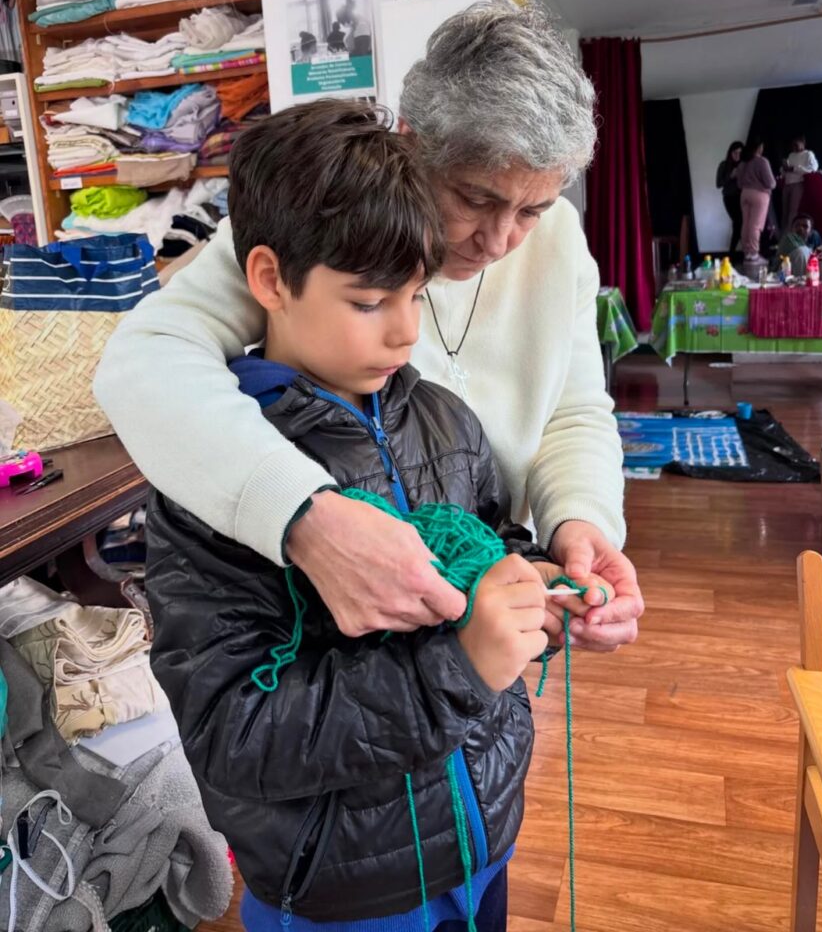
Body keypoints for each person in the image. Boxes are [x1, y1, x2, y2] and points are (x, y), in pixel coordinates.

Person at [146, 99, 614, 930]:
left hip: (482, 831)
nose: (404, 333)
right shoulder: (216, 476)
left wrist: (540, 588)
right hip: (344, 887)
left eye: (416, 295)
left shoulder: (443, 418)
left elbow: (494, 539)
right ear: (269, 280)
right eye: (368, 302)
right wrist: (459, 668)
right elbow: (232, 734)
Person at [94, 3, 643, 654]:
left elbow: (572, 411)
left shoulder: (559, 244)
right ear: (412, 140)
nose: (500, 241)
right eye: (475, 199)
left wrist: (579, 522)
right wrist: (302, 515)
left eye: (532, 210)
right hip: (343, 630)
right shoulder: (323, 219)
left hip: (484, 593)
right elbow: (144, 360)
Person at [736, 138, 776, 262]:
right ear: (758, 147)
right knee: (755, 225)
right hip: (759, 195)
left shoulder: (742, 163)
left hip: (744, 194)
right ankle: (754, 253)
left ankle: (747, 252)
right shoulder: (762, 161)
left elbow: (739, 184)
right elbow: (771, 183)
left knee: (746, 224)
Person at [782, 135, 819, 232]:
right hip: (787, 183)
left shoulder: (808, 154)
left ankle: (789, 234)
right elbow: (785, 170)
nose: (794, 147)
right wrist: (784, 168)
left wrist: (795, 168)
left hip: (798, 184)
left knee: (793, 211)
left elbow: (813, 169)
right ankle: (782, 234)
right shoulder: (791, 155)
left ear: (802, 143)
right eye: (792, 145)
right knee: (784, 211)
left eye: (796, 144)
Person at [775, 213, 822, 277]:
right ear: (791, 229)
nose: (800, 228)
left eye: (805, 226)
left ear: (811, 232)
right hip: (779, 276)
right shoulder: (788, 239)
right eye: (797, 225)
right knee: (801, 252)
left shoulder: (814, 237)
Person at [716, 141, 743, 254]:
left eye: (740, 153)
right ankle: (733, 253)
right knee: (738, 222)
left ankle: (735, 253)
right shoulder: (724, 165)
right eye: (735, 152)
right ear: (730, 153)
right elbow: (718, 184)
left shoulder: (744, 165)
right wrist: (731, 176)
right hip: (729, 198)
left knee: (740, 224)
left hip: (743, 198)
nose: (737, 155)